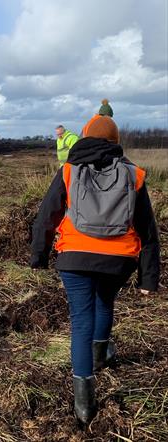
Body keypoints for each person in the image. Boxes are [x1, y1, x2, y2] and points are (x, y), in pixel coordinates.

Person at [30, 115, 160, 424]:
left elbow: (46, 217)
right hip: (118, 260)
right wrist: (148, 278)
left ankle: (84, 405)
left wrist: (39, 257)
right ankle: (102, 356)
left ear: (85, 137)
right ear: (115, 142)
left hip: (74, 257)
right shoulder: (134, 175)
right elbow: (148, 230)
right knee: (105, 302)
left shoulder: (69, 171)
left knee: (81, 322)